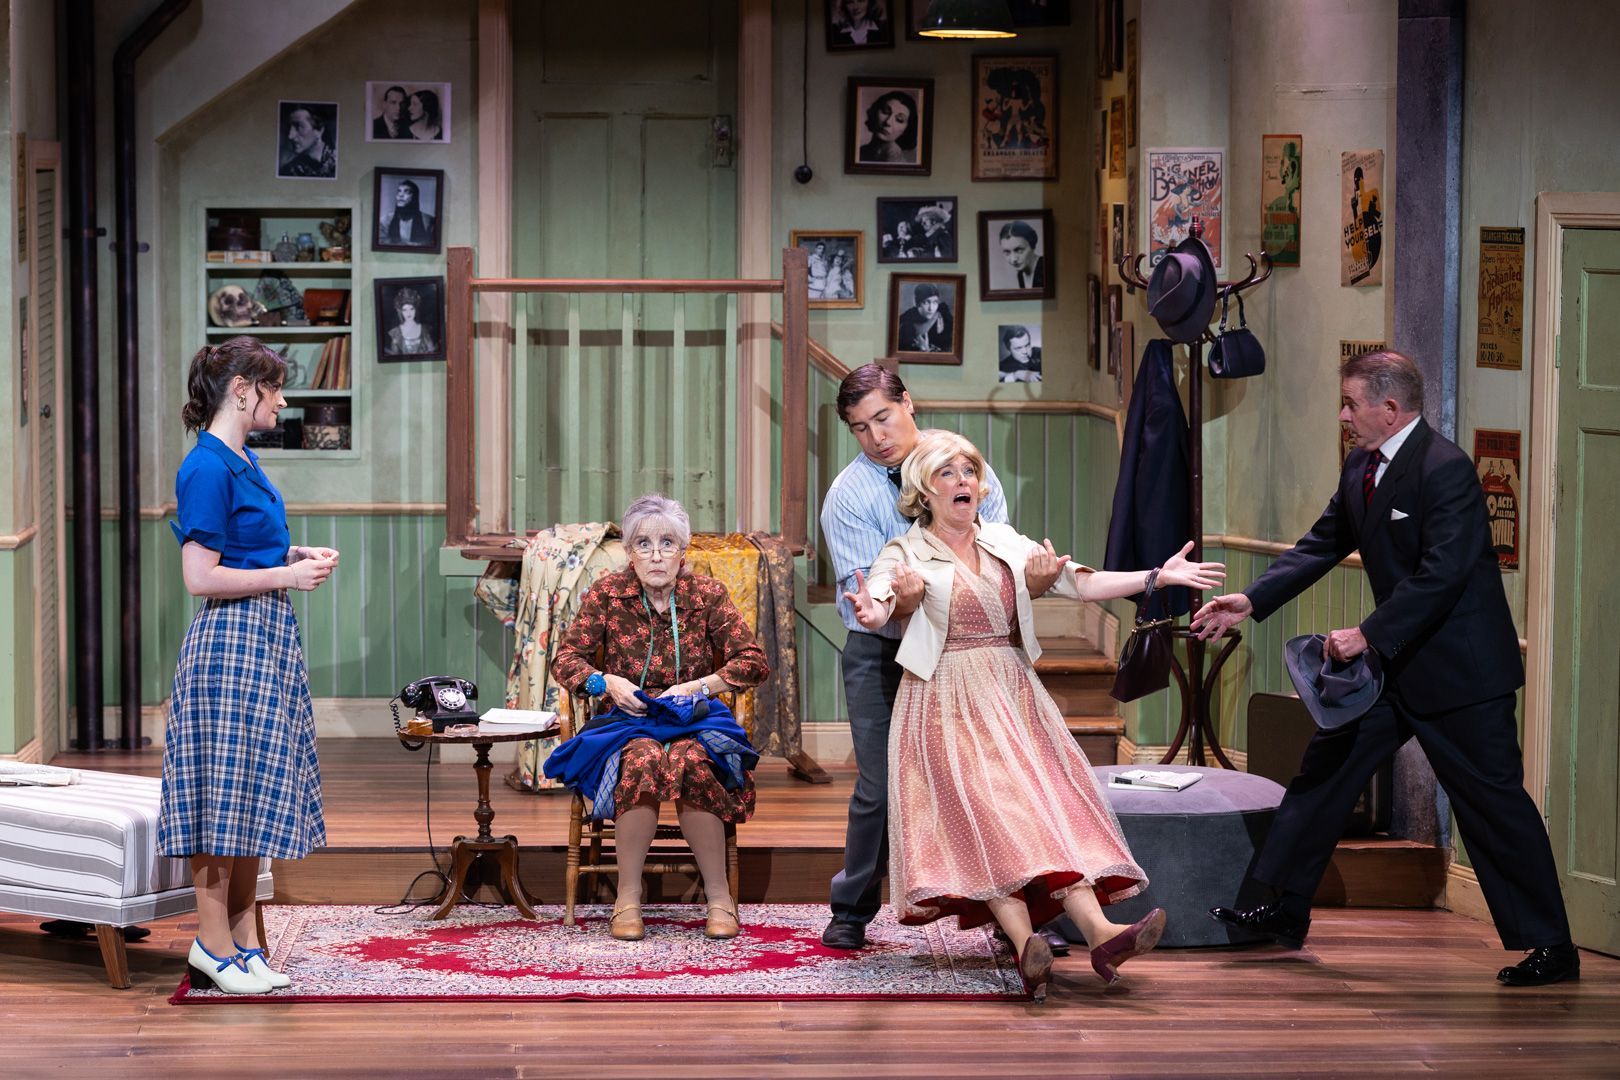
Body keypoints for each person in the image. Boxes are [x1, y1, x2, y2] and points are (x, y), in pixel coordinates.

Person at [1192, 350, 1579, 987]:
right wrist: (1251, 600)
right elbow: (1322, 542)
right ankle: (1280, 908)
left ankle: (1552, 946)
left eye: (1351, 404)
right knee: (1325, 770)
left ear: (1389, 407)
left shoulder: (1446, 469)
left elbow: (1443, 576)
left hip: (1461, 675)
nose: (1343, 416)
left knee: (1492, 803)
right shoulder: (1360, 467)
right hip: (1392, 670)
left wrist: (1367, 633)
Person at [843, 430, 1224, 1000]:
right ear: (925, 488)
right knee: (990, 817)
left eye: (969, 471)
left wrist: (1156, 578)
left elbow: (1080, 582)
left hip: (1012, 691)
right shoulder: (905, 553)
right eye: (948, 473)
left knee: (1044, 810)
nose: (963, 482)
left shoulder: (1002, 540)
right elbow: (881, 599)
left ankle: (1097, 933)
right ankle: (1027, 944)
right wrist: (878, 611)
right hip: (945, 698)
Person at [819, 365, 1056, 954]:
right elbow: (862, 609)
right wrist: (902, 604)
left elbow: (997, 557)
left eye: (883, 417)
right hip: (883, 653)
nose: (876, 436)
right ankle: (852, 908)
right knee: (880, 783)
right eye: (859, 428)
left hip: (965, 655)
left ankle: (1018, 919)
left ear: (908, 403)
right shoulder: (847, 498)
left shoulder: (963, 467)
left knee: (996, 782)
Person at [160, 336, 338, 994]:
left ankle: (240, 939)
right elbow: (200, 578)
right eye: (274, 389)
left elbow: (245, 544)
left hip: (262, 638)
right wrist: (288, 575)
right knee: (223, 801)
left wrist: (293, 552)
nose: (283, 401)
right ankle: (210, 945)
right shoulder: (206, 467)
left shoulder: (241, 459)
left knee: (250, 799)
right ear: (242, 391)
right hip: (230, 644)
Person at [549, 494, 770, 941]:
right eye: (643, 544)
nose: (655, 554)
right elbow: (566, 658)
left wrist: (698, 686)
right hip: (628, 721)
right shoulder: (607, 594)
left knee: (690, 761)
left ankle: (719, 897)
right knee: (642, 759)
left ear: (683, 551)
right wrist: (605, 683)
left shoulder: (707, 595)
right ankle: (626, 898)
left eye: (667, 543)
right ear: (629, 552)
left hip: (695, 717)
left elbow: (753, 662)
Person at [858, 90, 918, 164]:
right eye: (885, 111)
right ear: (874, 111)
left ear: (906, 129)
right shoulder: (862, 151)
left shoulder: (894, 159)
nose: (888, 122)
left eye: (899, 119)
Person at [280, 105, 335, 179]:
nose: (290, 136)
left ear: (319, 130)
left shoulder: (340, 162)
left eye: (298, 126)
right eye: (289, 128)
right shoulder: (288, 171)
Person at [380, 179, 437, 249]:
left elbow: (431, 246)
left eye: (407, 192)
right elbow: (383, 246)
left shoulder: (429, 221)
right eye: (399, 191)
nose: (401, 195)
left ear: (415, 196)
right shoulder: (385, 221)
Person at [896, 283, 952, 353]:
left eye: (935, 302)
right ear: (918, 303)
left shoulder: (944, 315)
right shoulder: (905, 324)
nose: (931, 308)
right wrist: (924, 351)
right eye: (926, 302)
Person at [385, 287, 438, 356]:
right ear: (401, 312)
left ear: (415, 310)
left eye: (411, 309)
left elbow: (432, 353)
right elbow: (394, 357)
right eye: (405, 310)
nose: (408, 313)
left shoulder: (425, 329)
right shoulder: (396, 332)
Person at [997, 220, 1044, 290]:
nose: (1013, 259)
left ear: (1032, 244)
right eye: (1007, 252)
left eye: (1019, 250)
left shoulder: (1046, 267)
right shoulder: (1020, 274)